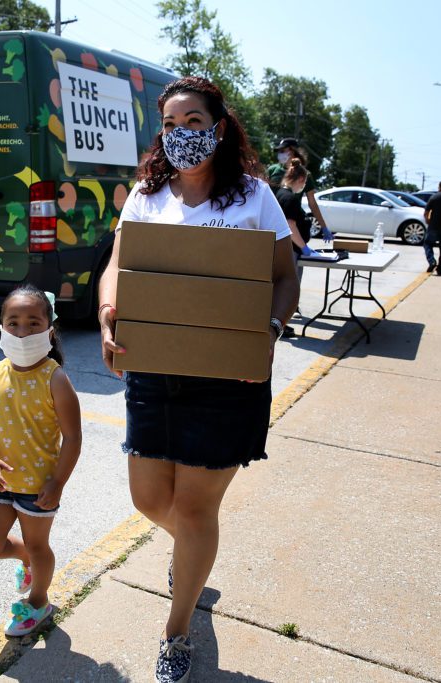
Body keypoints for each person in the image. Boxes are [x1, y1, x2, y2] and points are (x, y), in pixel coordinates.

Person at [96, 76, 298, 683]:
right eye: (171, 124)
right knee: (150, 501)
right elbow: (117, 267)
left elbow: (284, 277)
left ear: (218, 125)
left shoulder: (255, 197)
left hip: (227, 379)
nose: (182, 134)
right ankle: (193, 558)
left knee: (194, 505)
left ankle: (176, 630)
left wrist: (270, 327)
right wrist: (108, 311)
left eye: (194, 122)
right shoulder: (144, 197)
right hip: (153, 369)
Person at [0, 285, 82, 638]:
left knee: (39, 545)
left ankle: (39, 601)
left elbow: (73, 438)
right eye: (14, 322)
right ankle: (27, 561)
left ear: (50, 329)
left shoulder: (56, 379)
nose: (22, 331)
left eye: (33, 323)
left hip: (39, 488)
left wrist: (58, 482)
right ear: (2, 327)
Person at [274, 158, 319, 337]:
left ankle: (279, 324)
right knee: (288, 288)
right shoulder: (291, 198)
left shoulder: (279, 194)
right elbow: (290, 226)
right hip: (290, 250)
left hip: (283, 249)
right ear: (301, 180)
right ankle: (280, 324)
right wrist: (305, 247)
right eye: (305, 182)